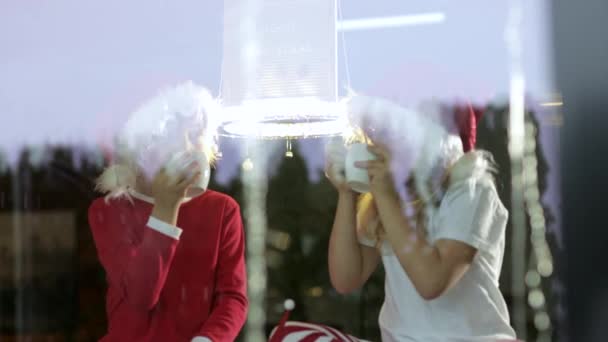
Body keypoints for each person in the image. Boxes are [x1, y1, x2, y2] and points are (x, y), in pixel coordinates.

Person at [325, 96, 517, 341]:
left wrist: (385, 196)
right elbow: (345, 279)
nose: (380, 141)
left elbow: (432, 282)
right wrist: (347, 194)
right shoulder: (389, 194)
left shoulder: (471, 187)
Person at [88, 82, 248, 342]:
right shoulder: (110, 211)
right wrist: (165, 208)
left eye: (195, 132)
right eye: (172, 132)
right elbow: (141, 296)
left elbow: (233, 298)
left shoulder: (223, 210)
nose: (187, 145)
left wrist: (208, 340)